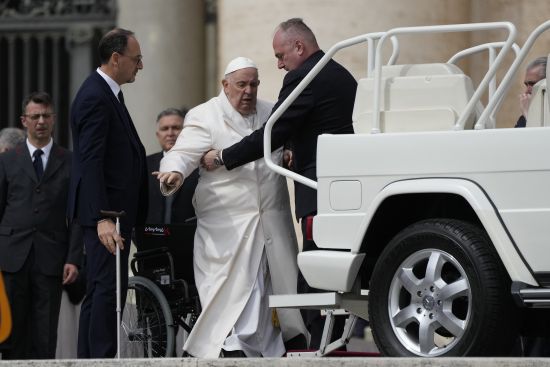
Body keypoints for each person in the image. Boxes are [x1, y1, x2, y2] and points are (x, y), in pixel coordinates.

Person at [201, 18, 357, 349]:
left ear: (299, 47)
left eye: (280, 54)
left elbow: (271, 131)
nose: (279, 63)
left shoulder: (302, 77)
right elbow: (320, 125)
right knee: (335, 275)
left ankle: (319, 348)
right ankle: (334, 344)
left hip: (318, 190)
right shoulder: (341, 74)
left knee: (314, 275)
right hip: (344, 189)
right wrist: (292, 149)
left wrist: (223, 158)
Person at [156, 56, 308, 358]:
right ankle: (233, 349)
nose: (248, 91)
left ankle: (266, 353)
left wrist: (289, 152)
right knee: (236, 294)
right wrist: (173, 171)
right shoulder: (205, 115)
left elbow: (287, 142)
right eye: (241, 84)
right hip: (227, 228)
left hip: (272, 222)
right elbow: (184, 152)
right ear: (225, 85)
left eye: (253, 84)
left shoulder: (270, 112)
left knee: (269, 295)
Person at [67, 28, 148, 358]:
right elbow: (90, 161)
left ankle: (90, 359)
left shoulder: (108, 93)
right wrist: (102, 218)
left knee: (103, 288)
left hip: (114, 212)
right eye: (136, 59)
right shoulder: (94, 97)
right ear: (116, 58)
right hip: (107, 215)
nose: (140, 66)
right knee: (108, 289)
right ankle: (99, 359)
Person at [0, 91, 81, 359]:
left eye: (46, 115)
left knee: (45, 334)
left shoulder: (70, 161)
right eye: (35, 116)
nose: (41, 121)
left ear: (54, 119)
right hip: (12, 257)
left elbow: (78, 214)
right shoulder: (7, 160)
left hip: (52, 258)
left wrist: (73, 258)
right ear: (24, 120)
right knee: (12, 334)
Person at [145, 108, 198, 225]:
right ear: (158, 135)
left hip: (191, 239)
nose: (170, 133)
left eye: (176, 128)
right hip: (151, 238)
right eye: (165, 129)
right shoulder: (144, 164)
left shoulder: (199, 164)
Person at [515, 56, 547, 128]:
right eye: (526, 85)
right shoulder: (523, 118)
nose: (527, 92)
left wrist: (528, 114)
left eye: (532, 84)